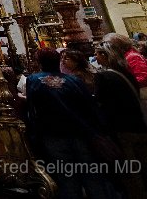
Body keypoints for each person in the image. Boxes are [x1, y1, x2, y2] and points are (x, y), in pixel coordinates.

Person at [26, 48, 120, 199]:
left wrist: (34, 135)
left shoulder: (33, 80)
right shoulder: (73, 80)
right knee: (92, 176)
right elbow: (90, 107)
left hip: (53, 135)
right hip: (81, 132)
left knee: (66, 178)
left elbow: (32, 109)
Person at [94, 43, 147, 199]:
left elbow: (101, 103)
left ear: (105, 55)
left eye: (97, 54)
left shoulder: (102, 76)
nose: (95, 58)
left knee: (130, 171)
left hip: (121, 129)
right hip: (139, 124)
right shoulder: (126, 73)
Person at [103, 32, 147, 151]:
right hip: (143, 94)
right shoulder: (127, 55)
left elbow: (146, 77)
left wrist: (125, 84)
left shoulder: (132, 56)